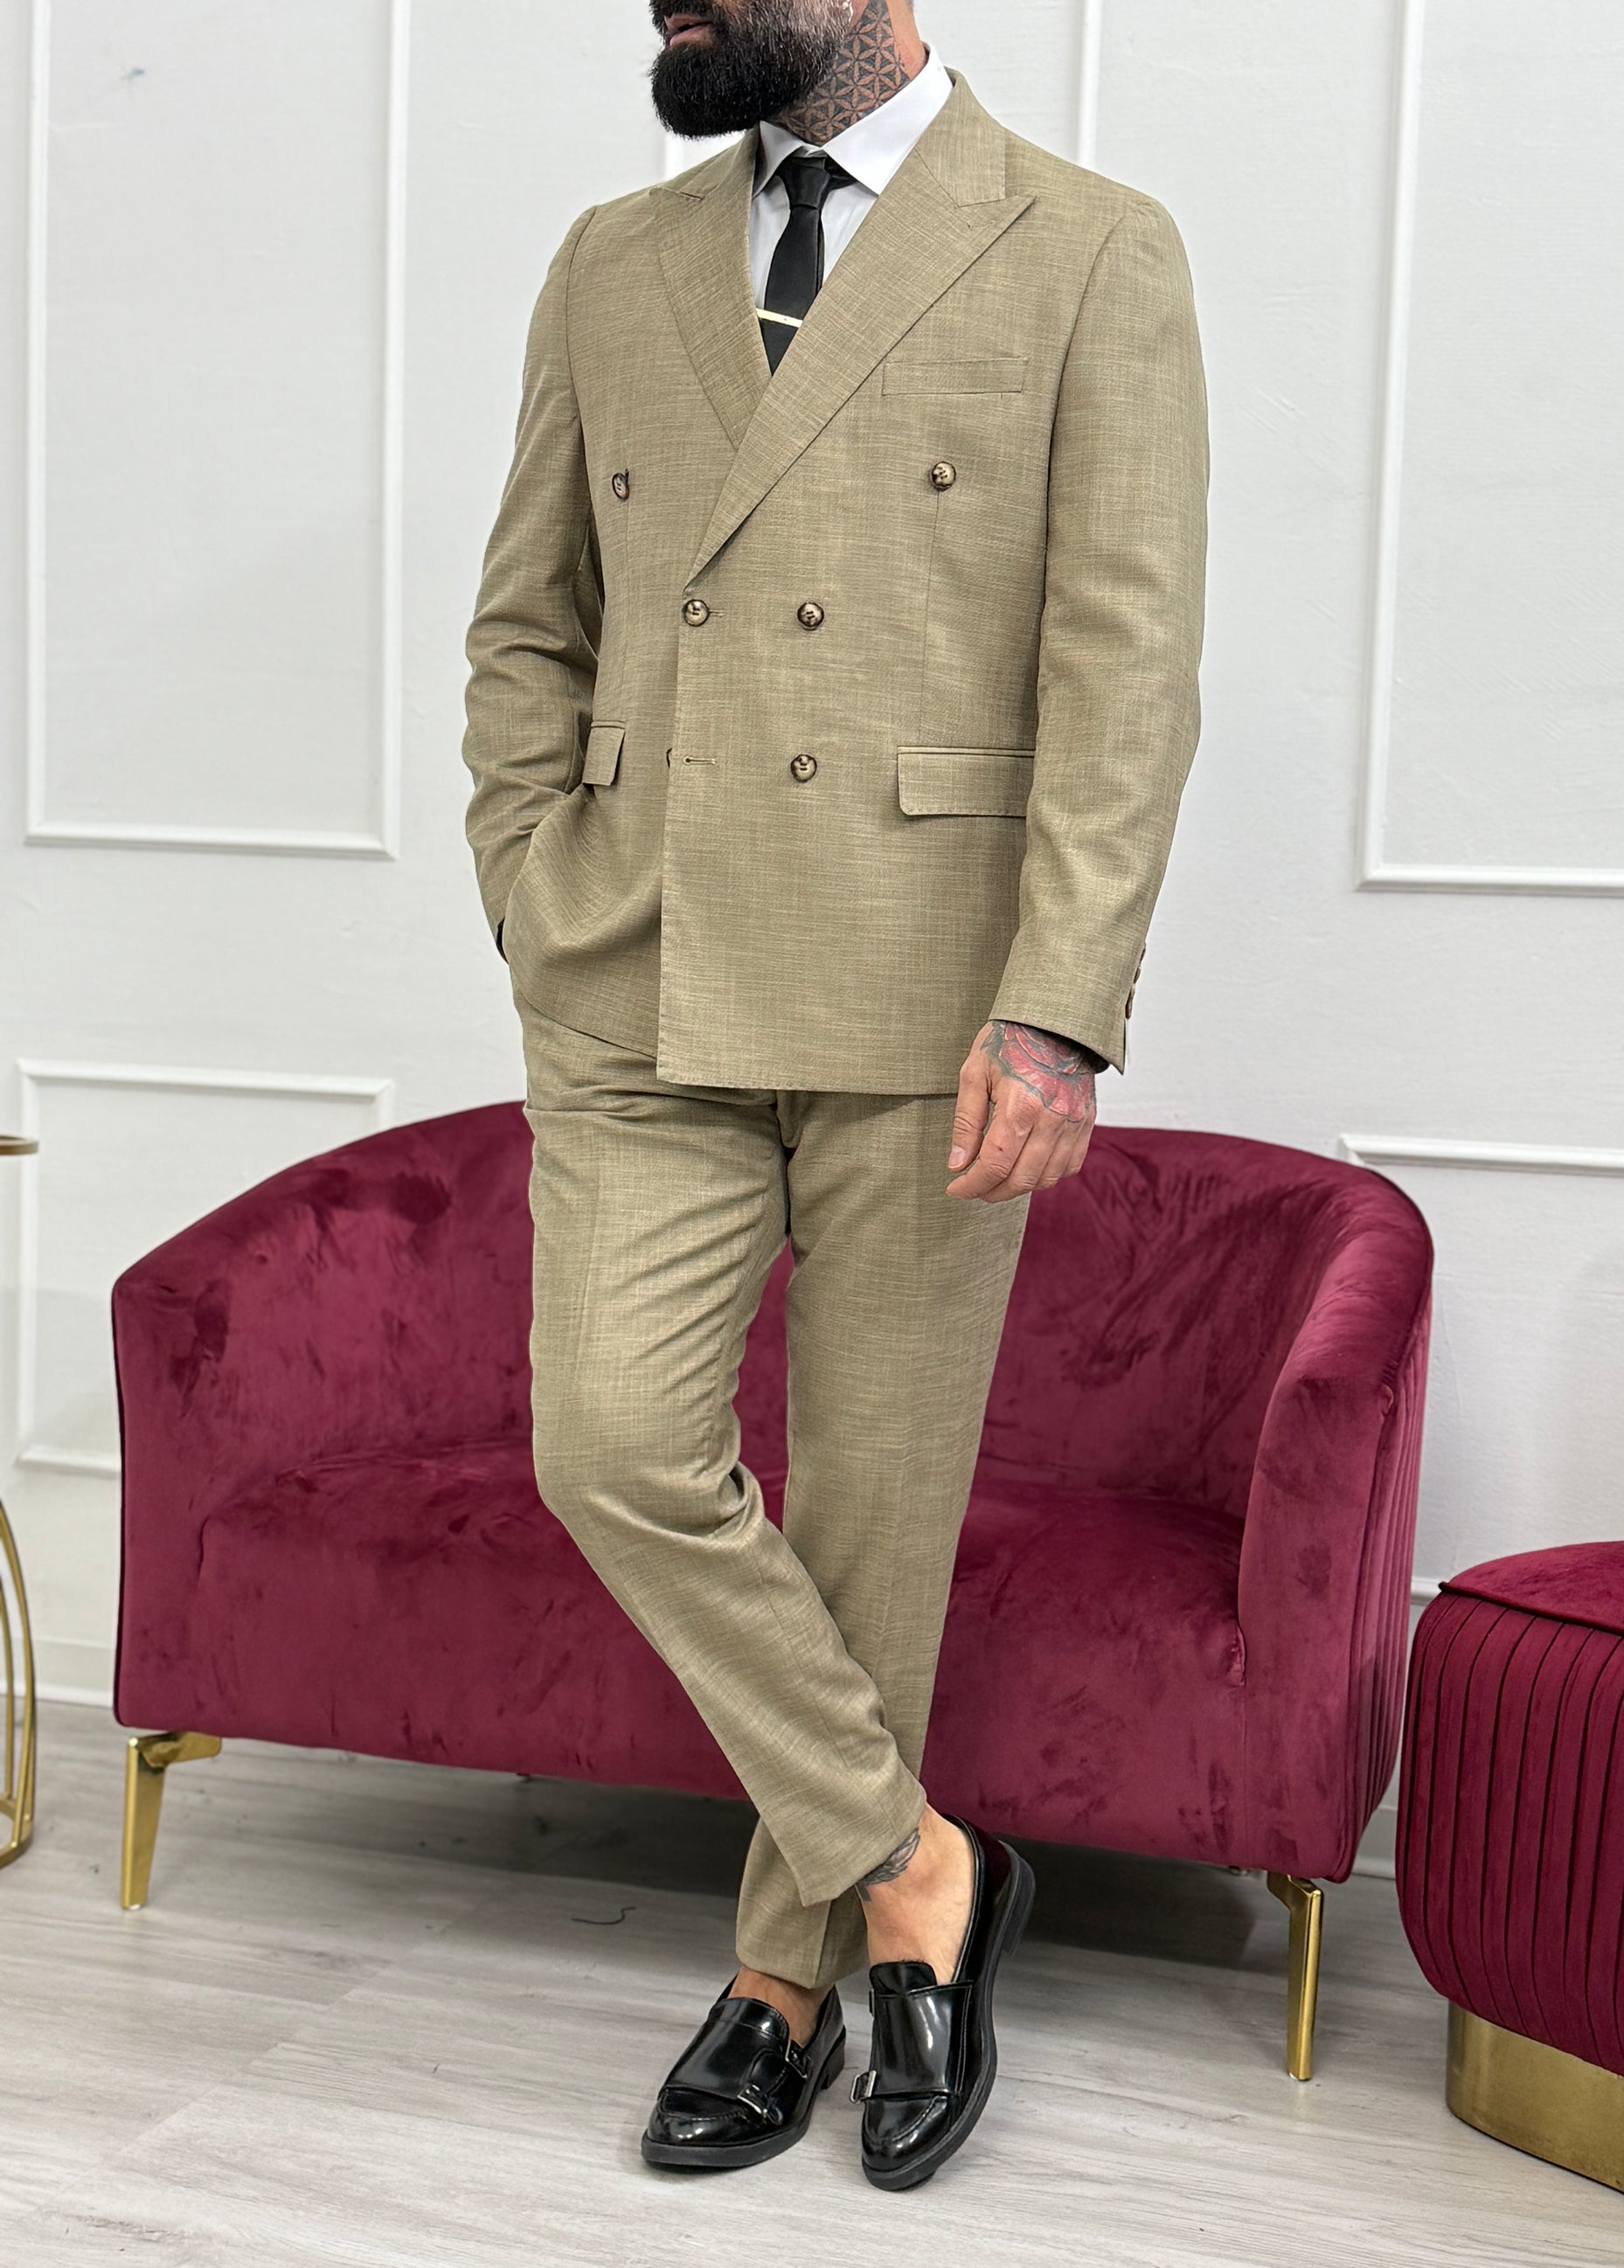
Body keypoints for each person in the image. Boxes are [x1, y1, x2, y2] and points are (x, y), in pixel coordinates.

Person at [462, 0, 1207, 2188]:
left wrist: (1061, 1003)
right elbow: (530, 617)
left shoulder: (1089, 243)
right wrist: (529, 872)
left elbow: (1123, 659)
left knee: (871, 1512)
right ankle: (917, 1867)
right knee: (612, 1441)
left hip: (930, 978)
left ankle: (781, 1979)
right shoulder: (612, 256)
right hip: (636, 957)